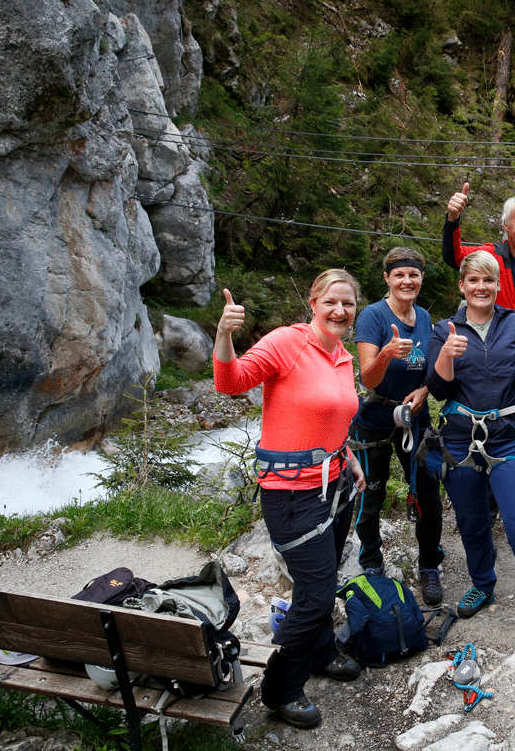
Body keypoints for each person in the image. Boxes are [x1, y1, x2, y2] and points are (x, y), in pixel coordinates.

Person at [213, 270, 367, 730]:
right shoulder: (286, 342)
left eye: (349, 304)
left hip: (334, 483)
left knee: (321, 579)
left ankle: (320, 653)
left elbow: (333, 416)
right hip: (292, 494)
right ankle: (281, 687)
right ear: (313, 302)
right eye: (331, 302)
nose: (340, 311)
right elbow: (231, 381)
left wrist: (349, 457)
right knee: (317, 594)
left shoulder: (340, 355)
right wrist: (224, 334)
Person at [426, 250, 515, 655]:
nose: (481, 288)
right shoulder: (443, 329)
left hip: (510, 436)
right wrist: (446, 356)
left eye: (489, 281)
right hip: (460, 439)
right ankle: (482, 584)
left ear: (498, 286)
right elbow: (438, 391)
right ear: (462, 285)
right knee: (471, 523)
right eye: (473, 281)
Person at [349, 247, 445, 605]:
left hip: (415, 418)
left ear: (421, 279)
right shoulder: (372, 316)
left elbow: (431, 372)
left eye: (414, 275)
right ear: (387, 278)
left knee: (429, 495)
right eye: (399, 275)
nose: (407, 281)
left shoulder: (424, 317)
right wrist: (387, 353)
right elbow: (369, 379)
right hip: (373, 418)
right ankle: (372, 565)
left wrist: (423, 391)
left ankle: (429, 566)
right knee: (369, 496)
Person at [443, 182, 515, 356]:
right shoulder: (492, 255)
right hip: (501, 357)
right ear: (506, 225)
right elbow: (455, 257)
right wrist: (453, 219)